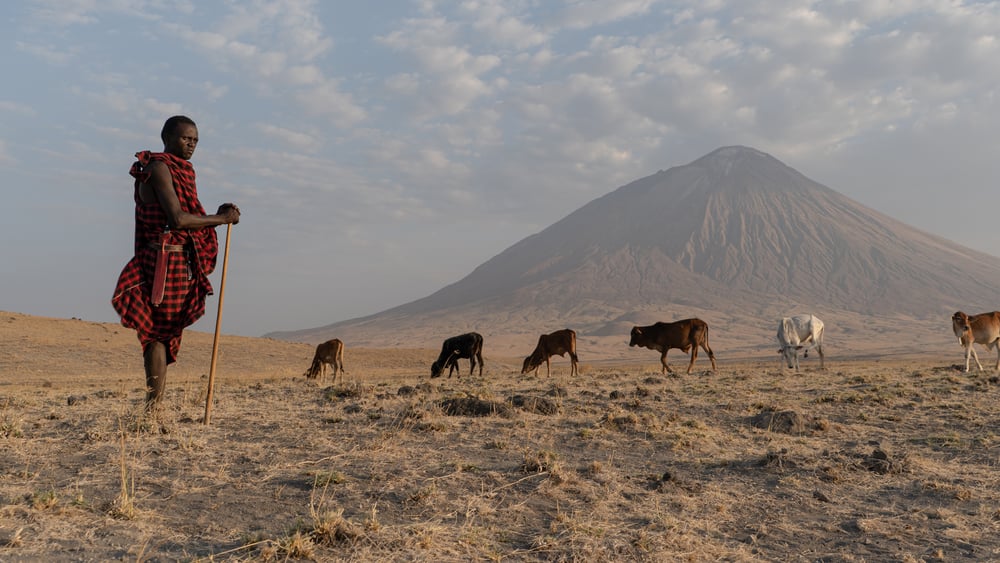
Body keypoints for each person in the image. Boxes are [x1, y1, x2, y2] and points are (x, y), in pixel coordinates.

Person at [112, 115, 240, 413]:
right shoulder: (159, 168)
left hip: (176, 261)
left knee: (162, 333)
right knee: (157, 333)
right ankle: (153, 408)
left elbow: (187, 215)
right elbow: (178, 219)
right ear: (167, 138)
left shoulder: (181, 170)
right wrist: (221, 219)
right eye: (185, 138)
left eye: (195, 140)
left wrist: (217, 215)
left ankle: (154, 407)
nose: (191, 144)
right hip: (162, 263)